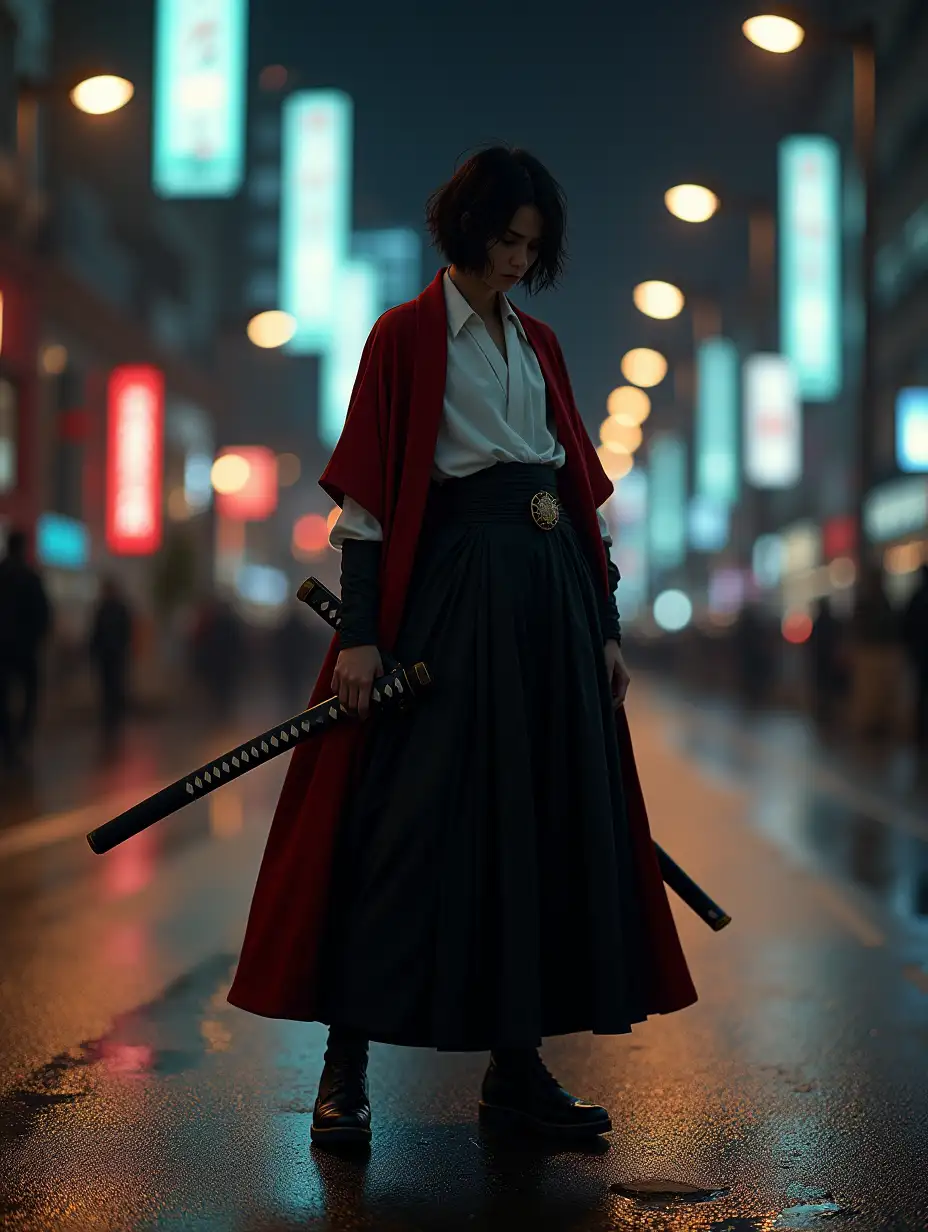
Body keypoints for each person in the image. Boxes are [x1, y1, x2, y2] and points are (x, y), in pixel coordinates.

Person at [227, 146, 697, 1148]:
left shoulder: (542, 345)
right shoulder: (401, 335)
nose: (518, 260)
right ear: (467, 229)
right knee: (398, 820)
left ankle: (516, 1067)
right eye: (506, 239)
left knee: (537, 824)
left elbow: (574, 499)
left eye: (534, 244)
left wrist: (602, 626)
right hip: (448, 594)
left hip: (550, 600)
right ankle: (343, 1068)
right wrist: (359, 639)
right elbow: (363, 502)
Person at [0, 528, 52, 767]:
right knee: (30, 694)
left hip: (3, 649)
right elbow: (43, 614)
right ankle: (22, 739)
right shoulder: (30, 577)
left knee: (3, 696)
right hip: (26, 648)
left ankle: (7, 741)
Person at [89, 576, 134, 739]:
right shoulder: (112, 608)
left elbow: (97, 632)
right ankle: (112, 715)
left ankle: (113, 715)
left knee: (112, 685)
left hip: (111, 654)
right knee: (111, 685)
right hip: (112, 654)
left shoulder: (107, 609)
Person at [902, 564, 928, 749]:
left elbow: (906, 628)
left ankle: (921, 733)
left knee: (921, 693)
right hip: (920, 653)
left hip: (919, 654)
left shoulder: (916, 597)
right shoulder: (917, 598)